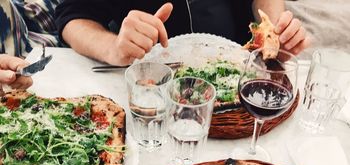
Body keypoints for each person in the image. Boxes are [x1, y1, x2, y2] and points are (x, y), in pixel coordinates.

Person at [55, 0, 310, 66]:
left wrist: (274, 33)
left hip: (238, 74)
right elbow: (72, 16)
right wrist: (113, 48)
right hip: (155, 81)